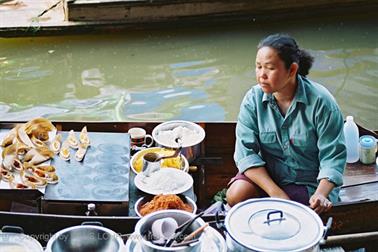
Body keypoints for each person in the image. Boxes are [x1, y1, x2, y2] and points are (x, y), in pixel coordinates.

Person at [226, 33, 346, 214]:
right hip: (271, 176)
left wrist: (321, 194)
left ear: (292, 70)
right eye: (258, 67)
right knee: (236, 194)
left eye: (269, 68)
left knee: (298, 214)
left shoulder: (322, 103)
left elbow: (333, 158)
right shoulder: (253, 99)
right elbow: (245, 154)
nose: (261, 75)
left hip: (308, 182)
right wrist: (276, 194)